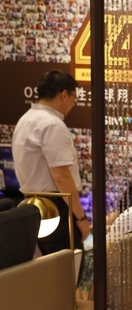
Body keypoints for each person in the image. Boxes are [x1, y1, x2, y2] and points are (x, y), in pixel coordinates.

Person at [11, 69, 90, 254]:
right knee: (65, 271)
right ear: (64, 95)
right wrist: (81, 218)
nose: (73, 104)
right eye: (73, 98)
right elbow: (61, 176)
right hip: (55, 207)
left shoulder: (25, 120)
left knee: (44, 271)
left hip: (31, 204)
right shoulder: (52, 125)